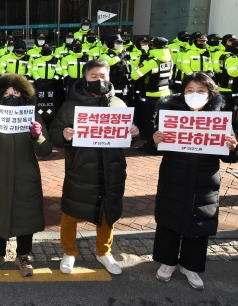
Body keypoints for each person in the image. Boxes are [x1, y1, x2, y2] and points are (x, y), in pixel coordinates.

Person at [49, 59, 139, 275]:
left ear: (109, 77)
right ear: (85, 79)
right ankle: (69, 252)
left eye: (103, 76)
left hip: (112, 168)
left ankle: (104, 252)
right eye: (93, 77)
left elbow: (127, 138)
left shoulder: (118, 104)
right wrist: (64, 135)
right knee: (71, 211)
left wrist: (134, 135)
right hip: (81, 167)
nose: (99, 80)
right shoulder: (71, 106)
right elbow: (54, 134)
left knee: (108, 213)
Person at [150, 72, 237, 291]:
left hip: (205, 179)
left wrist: (232, 147)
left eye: (200, 91)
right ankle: (167, 262)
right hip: (174, 175)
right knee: (170, 216)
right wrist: (154, 140)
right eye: (190, 91)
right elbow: (154, 148)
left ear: (210, 95)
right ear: (182, 93)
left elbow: (229, 157)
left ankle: (190, 265)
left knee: (199, 220)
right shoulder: (170, 115)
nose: (195, 95)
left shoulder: (219, 119)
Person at [0, 73, 52, 277]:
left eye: (16, 92)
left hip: (25, 174)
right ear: (0, 96)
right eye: (7, 93)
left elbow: (46, 149)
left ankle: (23, 255)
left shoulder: (32, 116)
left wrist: (38, 136)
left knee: (25, 214)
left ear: (24, 95)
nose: (11, 96)